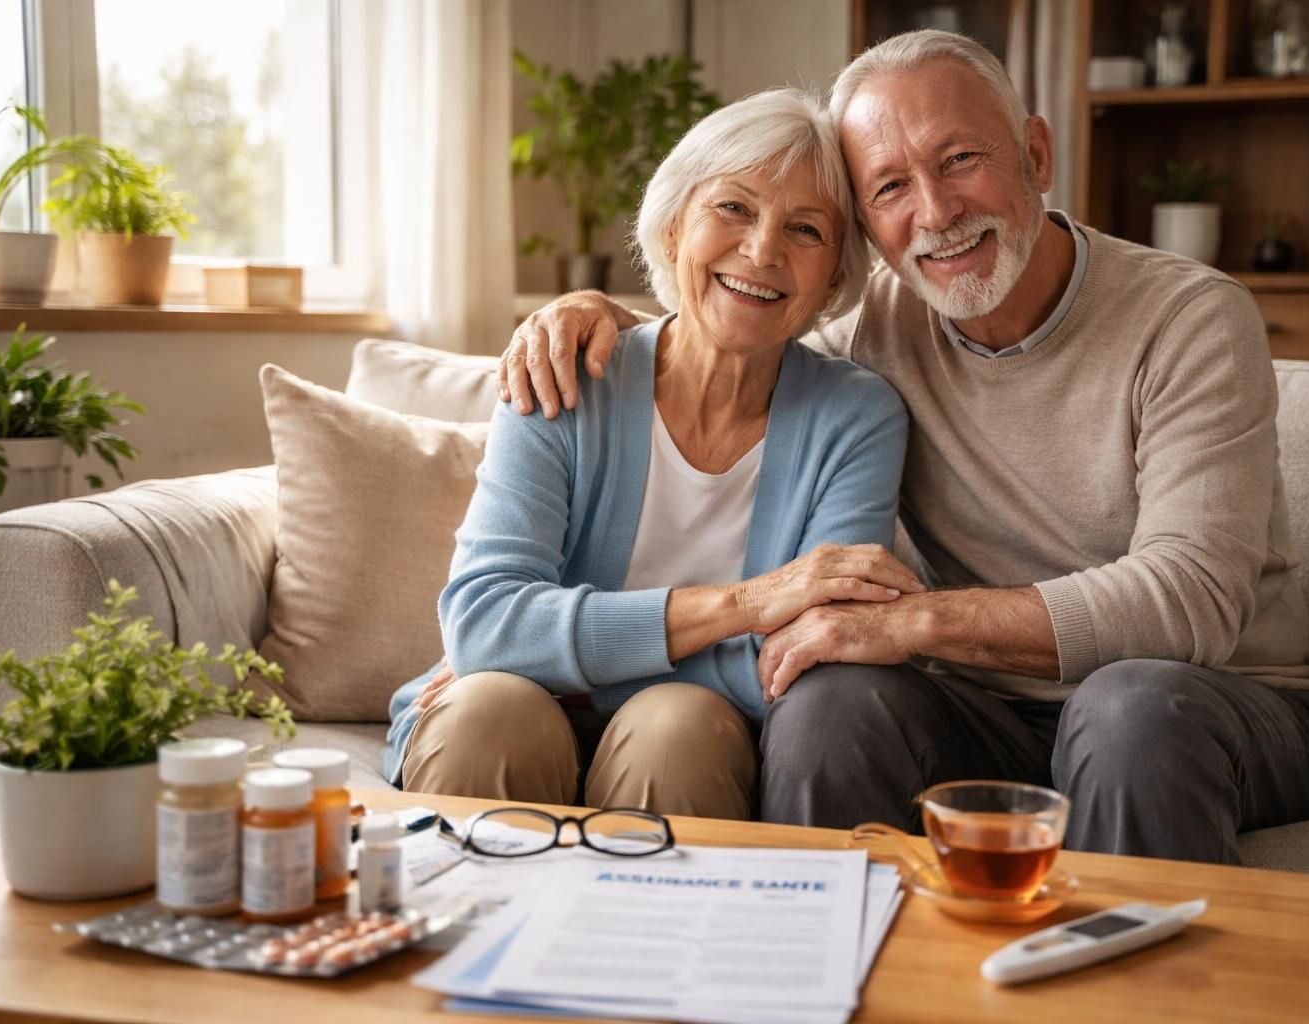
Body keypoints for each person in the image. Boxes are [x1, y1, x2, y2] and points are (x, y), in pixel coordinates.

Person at [495, 30, 1309, 865]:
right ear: (867, 225)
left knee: (1127, 709)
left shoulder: (1190, 319)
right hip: (985, 713)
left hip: (1216, 707)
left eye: (960, 160)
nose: (936, 213)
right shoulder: (876, 335)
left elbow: (1190, 598)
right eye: (892, 185)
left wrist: (920, 623)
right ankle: (824, 986)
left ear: (1036, 158)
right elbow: (742, 329)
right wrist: (598, 316)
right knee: (833, 702)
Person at [382, 88, 918, 821]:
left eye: (805, 229)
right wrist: (747, 606)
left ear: (833, 280)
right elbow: (483, 625)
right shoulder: (566, 367)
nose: (762, 250)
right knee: (490, 711)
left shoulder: (856, 417)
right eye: (733, 208)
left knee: (675, 726)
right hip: (512, 713)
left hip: (696, 736)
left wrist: (564, 658)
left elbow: (814, 650)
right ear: (672, 230)